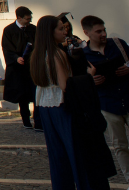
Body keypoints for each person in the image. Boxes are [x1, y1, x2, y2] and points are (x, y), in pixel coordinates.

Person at [32, 14, 116, 188]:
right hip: (62, 107)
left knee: (58, 157)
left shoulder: (37, 54)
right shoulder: (56, 54)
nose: (65, 31)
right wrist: (88, 76)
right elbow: (65, 85)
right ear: (50, 32)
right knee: (76, 155)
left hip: (46, 108)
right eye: (61, 28)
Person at [81, 15, 129, 182]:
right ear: (86, 33)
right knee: (120, 146)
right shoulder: (83, 56)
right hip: (108, 103)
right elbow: (79, 84)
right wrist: (90, 81)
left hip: (127, 96)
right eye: (98, 31)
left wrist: (128, 68)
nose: (103, 34)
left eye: (104, 30)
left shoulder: (118, 44)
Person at [2, 6, 41, 131]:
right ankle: (26, 120)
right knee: (22, 95)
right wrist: (15, 58)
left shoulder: (33, 30)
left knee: (36, 93)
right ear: (19, 17)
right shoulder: (9, 30)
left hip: (32, 67)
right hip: (18, 68)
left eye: (30, 18)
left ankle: (38, 120)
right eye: (27, 19)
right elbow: (7, 48)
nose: (29, 21)